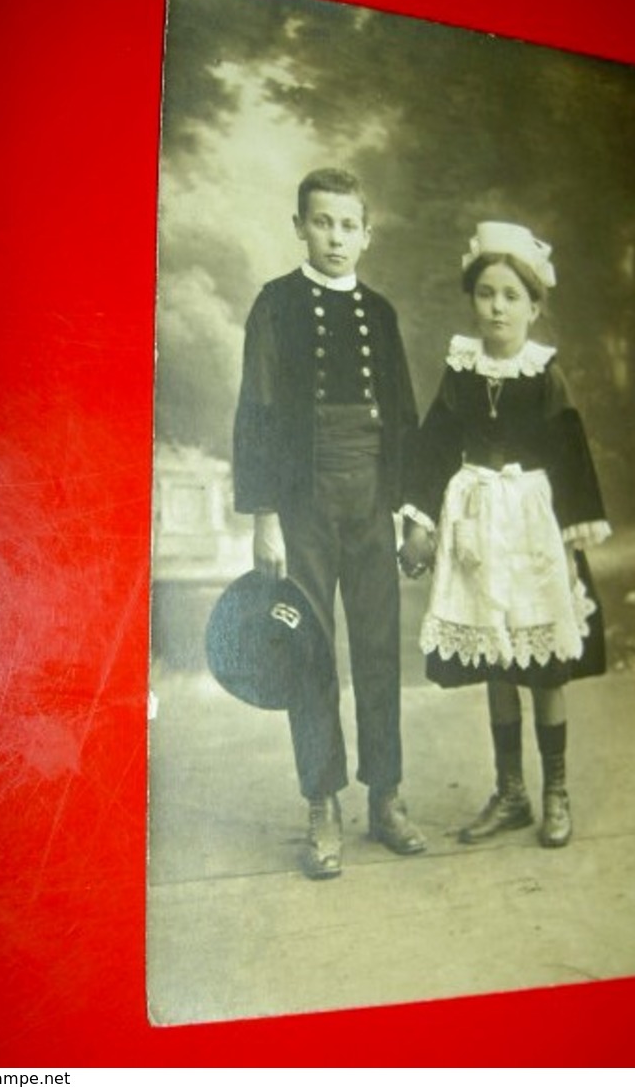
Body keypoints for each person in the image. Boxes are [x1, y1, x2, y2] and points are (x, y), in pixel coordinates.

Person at [233, 167, 427, 879]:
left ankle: (386, 795)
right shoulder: (275, 305)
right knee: (309, 652)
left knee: (379, 650)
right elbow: (255, 413)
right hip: (303, 503)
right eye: (322, 222)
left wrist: (410, 512)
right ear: (298, 227)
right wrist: (264, 520)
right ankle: (322, 803)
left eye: (348, 225)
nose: (335, 237)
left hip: (373, 500)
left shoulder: (380, 312)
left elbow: (402, 417)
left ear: (366, 235)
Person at [399, 221, 611, 849]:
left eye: (511, 296)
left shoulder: (544, 374)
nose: (497, 306)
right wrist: (419, 520)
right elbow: (434, 444)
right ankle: (511, 792)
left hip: (532, 527)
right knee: (496, 656)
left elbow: (571, 454)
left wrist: (572, 543)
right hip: (477, 527)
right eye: (487, 293)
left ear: (534, 307)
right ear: (473, 300)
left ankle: (555, 792)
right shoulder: (461, 369)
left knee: (543, 663)